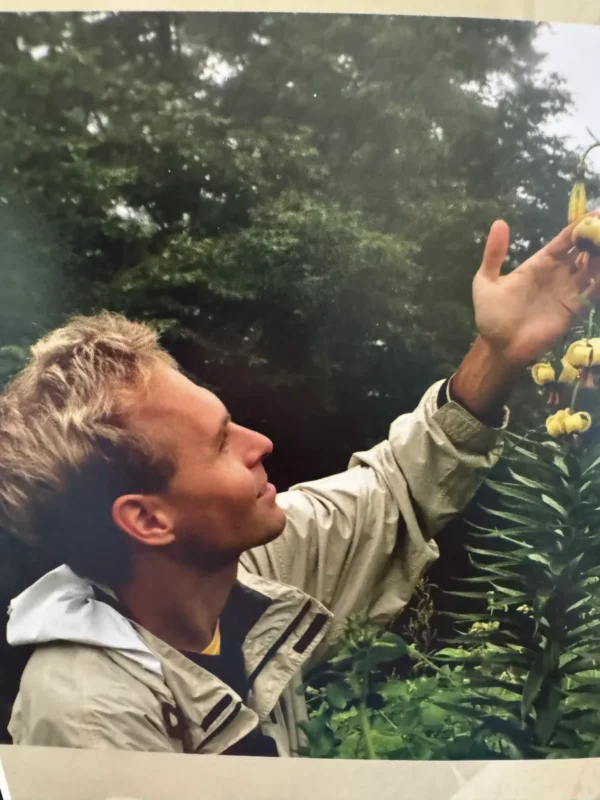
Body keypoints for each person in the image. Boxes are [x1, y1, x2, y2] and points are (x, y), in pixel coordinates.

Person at [0, 218, 596, 756]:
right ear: (149, 520)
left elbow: (395, 490)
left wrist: (498, 352)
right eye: (220, 442)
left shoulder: (246, 571)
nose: (260, 443)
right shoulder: (86, 717)